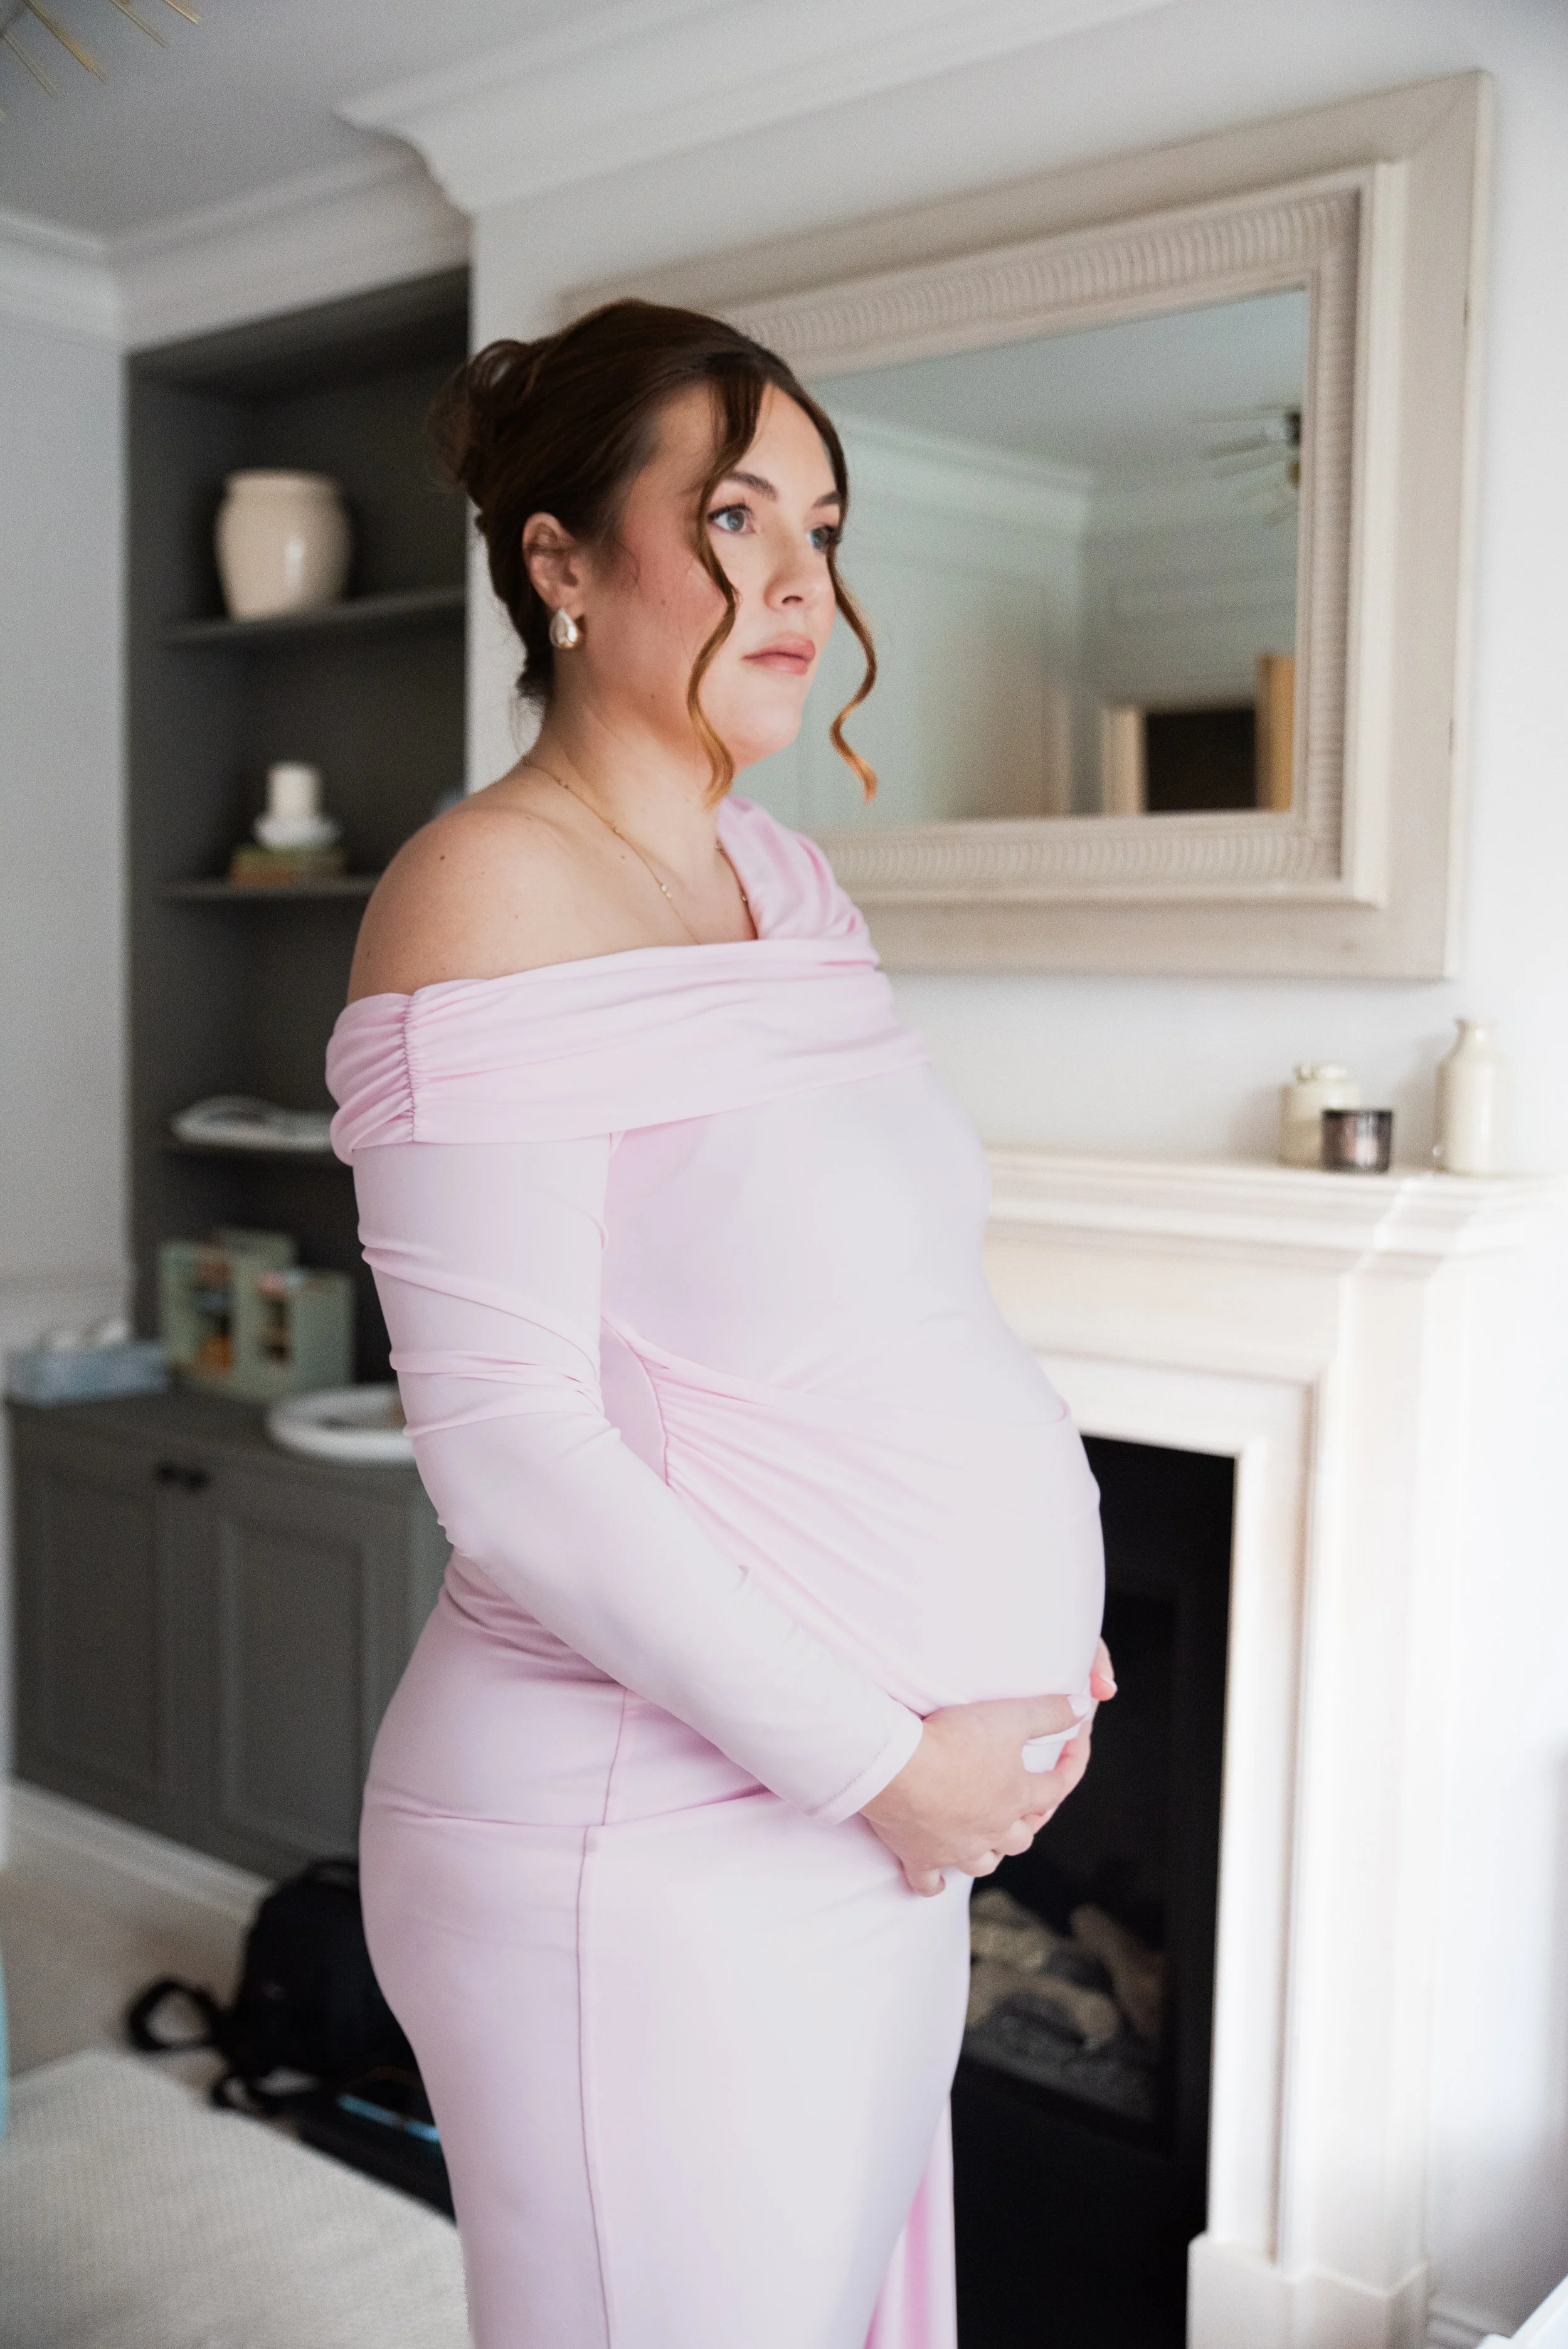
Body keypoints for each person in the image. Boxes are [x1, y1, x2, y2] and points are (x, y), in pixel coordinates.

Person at [326, 299, 1113, 2349]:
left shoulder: (778, 878)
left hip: (859, 1825)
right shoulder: (484, 890)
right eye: (734, 515)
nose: (797, 582)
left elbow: (872, 1311)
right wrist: (883, 1757)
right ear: (561, 563)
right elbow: (504, 1449)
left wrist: (1005, 1617)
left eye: (825, 529)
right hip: (639, 1842)